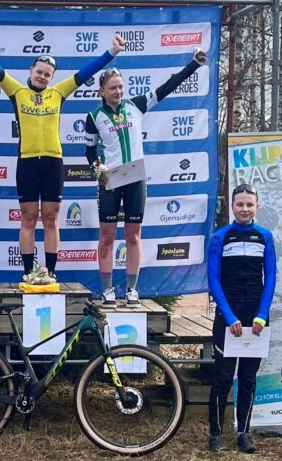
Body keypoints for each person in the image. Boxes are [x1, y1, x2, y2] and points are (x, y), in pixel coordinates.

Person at [0, 22, 125, 280]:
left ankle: (51, 272)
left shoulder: (58, 93)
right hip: (27, 162)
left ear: (52, 77)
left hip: (53, 163)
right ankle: (28, 273)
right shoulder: (17, 91)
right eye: (39, 72)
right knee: (28, 218)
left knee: (51, 219)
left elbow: (85, 72)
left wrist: (111, 53)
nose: (42, 77)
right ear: (31, 70)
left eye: (47, 74)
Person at [85, 50, 206, 306]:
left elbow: (167, 87)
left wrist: (193, 65)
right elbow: (89, 153)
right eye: (112, 88)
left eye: (120, 87)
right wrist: (98, 169)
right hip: (110, 181)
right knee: (107, 237)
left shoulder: (135, 106)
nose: (118, 91)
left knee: (133, 236)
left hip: (135, 179)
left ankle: (131, 289)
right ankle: (107, 290)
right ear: (101, 91)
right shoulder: (94, 117)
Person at [206, 184, 277, 453]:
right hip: (228, 317)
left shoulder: (265, 236)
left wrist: (262, 315)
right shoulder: (220, 237)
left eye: (249, 204)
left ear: (257, 206)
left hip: (255, 318)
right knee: (223, 378)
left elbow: (270, 278)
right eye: (240, 204)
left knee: (248, 378)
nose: (245, 209)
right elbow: (213, 280)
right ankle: (215, 434)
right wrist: (229, 316)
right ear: (232, 206)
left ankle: (243, 432)